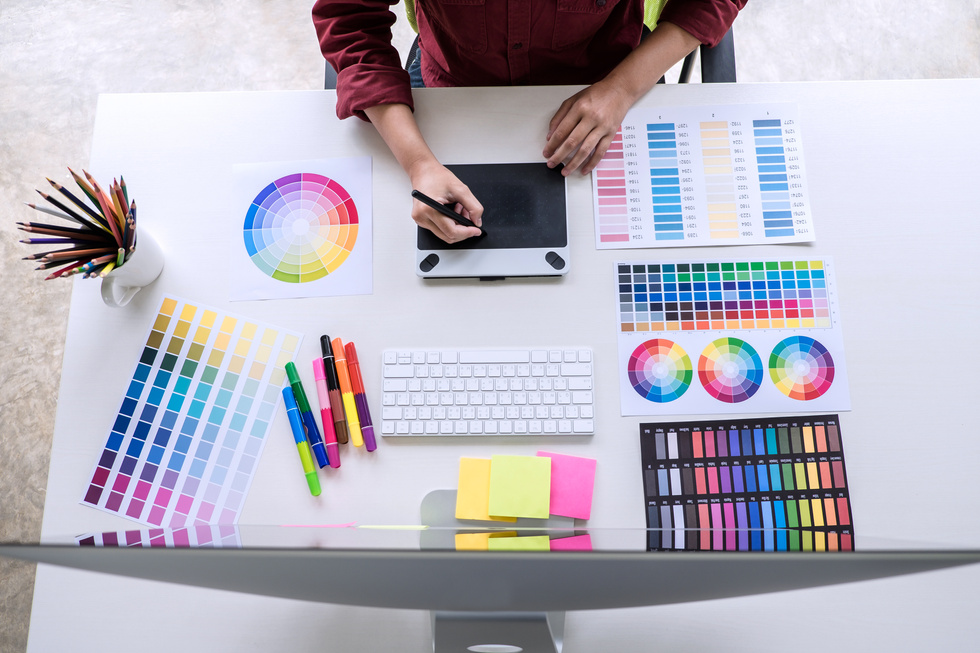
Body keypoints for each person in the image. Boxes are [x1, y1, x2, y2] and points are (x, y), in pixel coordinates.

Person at [313, 0, 745, 243]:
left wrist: (622, 88)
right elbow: (348, 18)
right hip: (452, 95)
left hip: (611, 84)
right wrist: (417, 163)